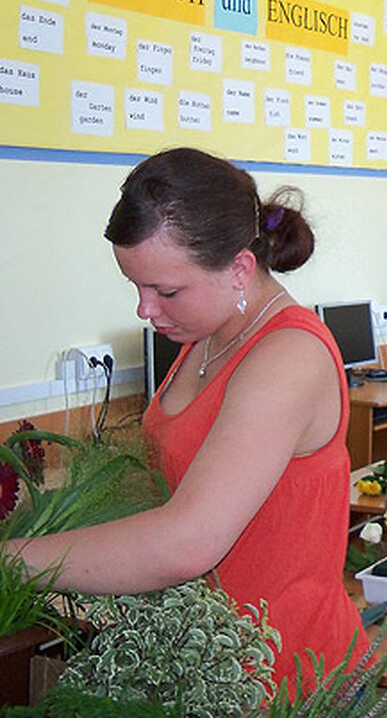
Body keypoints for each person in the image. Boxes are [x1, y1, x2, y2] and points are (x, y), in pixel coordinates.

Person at [3, 147, 367, 689]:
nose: (145, 309)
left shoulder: (288, 356)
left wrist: (12, 560)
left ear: (239, 269)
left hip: (283, 675)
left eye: (166, 290)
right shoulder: (206, 336)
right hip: (203, 661)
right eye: (136, 286)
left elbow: (187, 542)